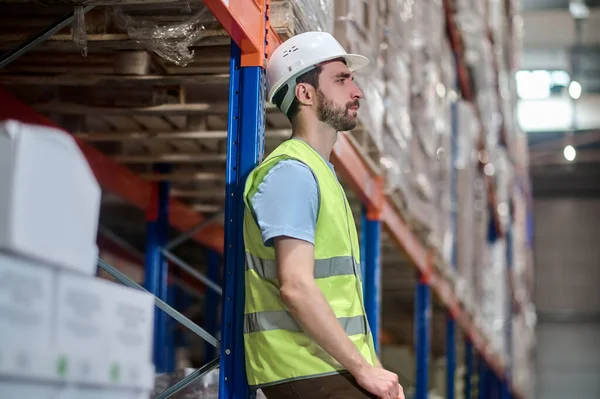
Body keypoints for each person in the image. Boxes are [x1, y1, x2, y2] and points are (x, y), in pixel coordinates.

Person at [241, 31, 405, 399]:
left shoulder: (319, 173)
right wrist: (365, 370)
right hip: (304, 369)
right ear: (305, 93)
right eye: (342, 79)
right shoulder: (291, 173)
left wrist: (374, 368)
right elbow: (296, 286)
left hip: (329, 366)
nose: (356, 91)